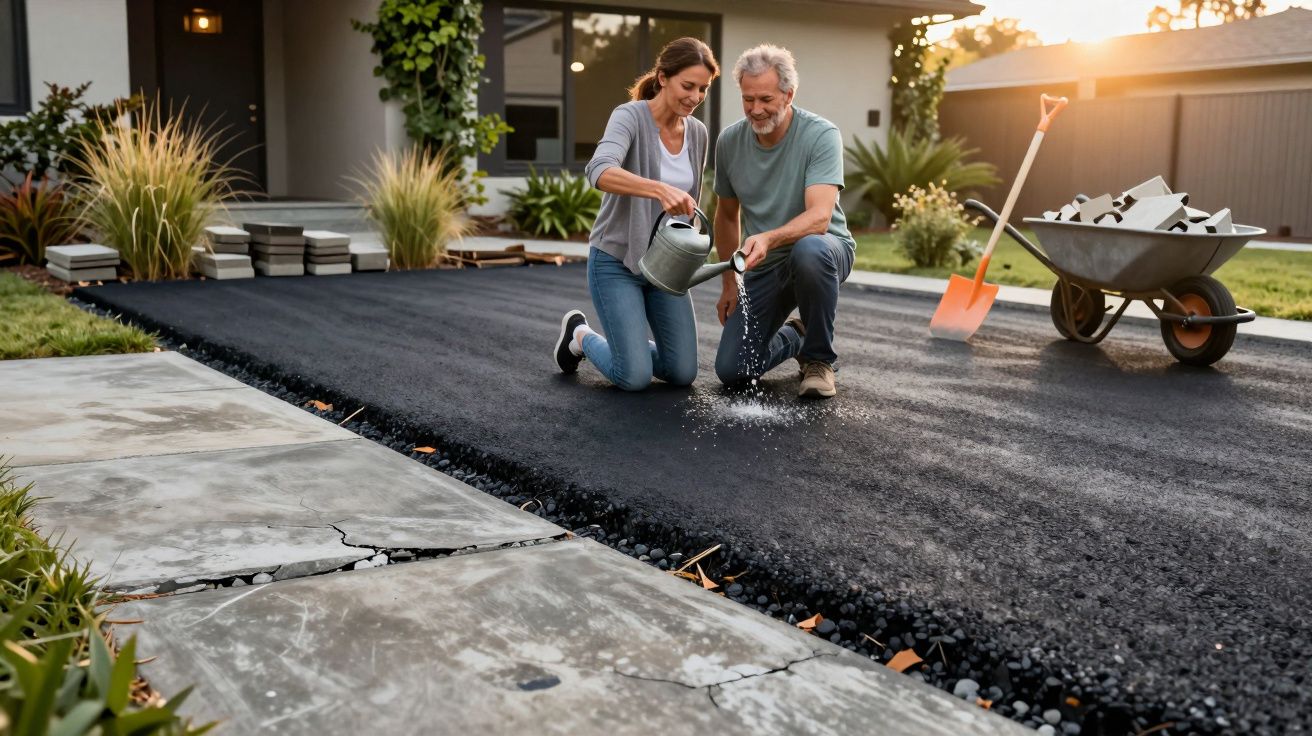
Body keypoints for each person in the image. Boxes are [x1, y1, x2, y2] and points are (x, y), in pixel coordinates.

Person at [552, 37, 720, 391]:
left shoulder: (698, 133)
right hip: (617, 261)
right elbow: (599, 170)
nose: (695, 97)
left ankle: (628, 349)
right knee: (634, 377)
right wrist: (658, 188)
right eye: (687, 86)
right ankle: (580, 335)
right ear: (663, 77)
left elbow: (689, 205)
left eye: (703, 89)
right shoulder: (629, 116)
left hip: (665, 268)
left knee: (682, 372)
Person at [712, 44, 856, 399]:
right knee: (732, 371)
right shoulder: (730, 142)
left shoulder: (820, 135)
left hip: (823, 252)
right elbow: (727, 215)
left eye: (765, 99)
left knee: (809, 250)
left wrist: (769, 238)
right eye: (748, 99)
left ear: (789, 94)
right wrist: (730, 283)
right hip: (766, 265)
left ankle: (818, 359)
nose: (756, 109)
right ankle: (798, 335)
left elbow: (820, 218)